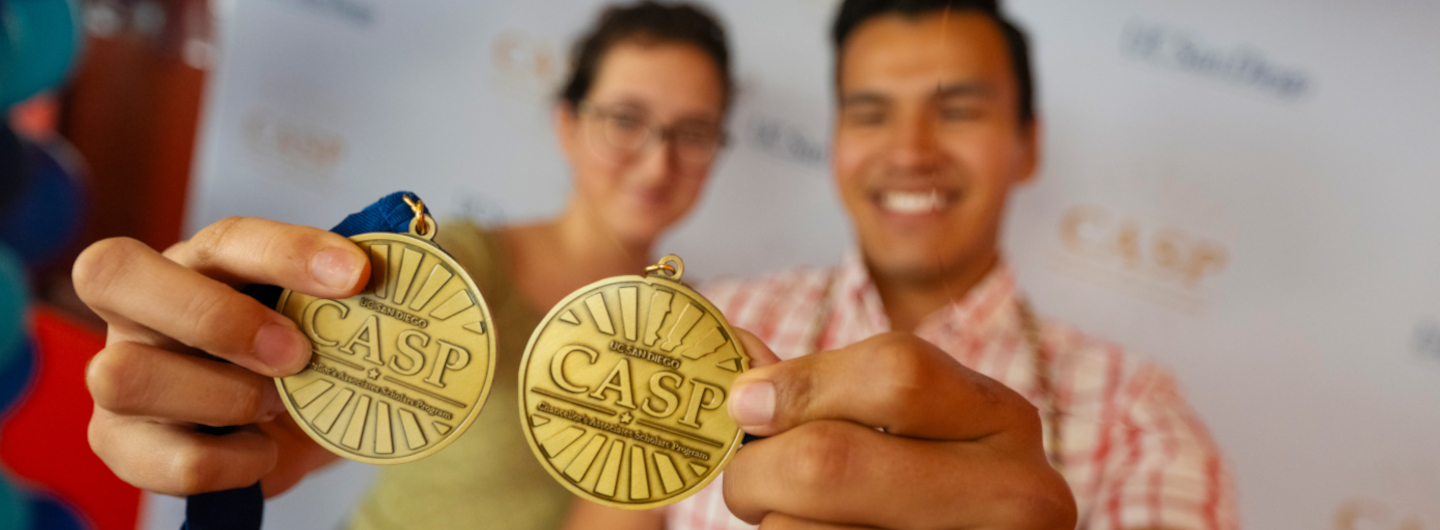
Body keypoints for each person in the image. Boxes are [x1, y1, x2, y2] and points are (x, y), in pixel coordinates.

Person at [566, 0, 1238, 529]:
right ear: (835, 144)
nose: (911, 151)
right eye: (871, 114)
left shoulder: (1136, 414)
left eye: (957, 110)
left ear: (1027, 145)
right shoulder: (711, 322)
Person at [73, 2, 734, 529]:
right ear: (567, 123)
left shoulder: (707, 340)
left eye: (693, 132)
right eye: (627, 118)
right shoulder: (467, 265)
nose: (657, 161)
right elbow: (279, 444)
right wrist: (218, 407)